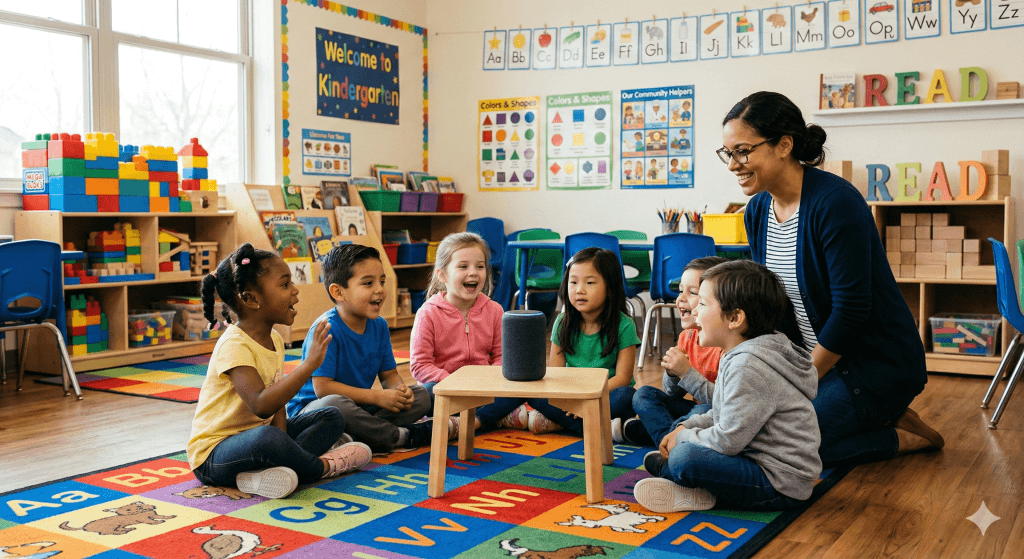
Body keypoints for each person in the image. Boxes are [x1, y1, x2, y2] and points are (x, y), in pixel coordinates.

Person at [720, 91, 944, 467]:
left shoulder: (835, 202)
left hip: (874, 365)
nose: (733, 165)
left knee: (789, 448)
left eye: (743, 151)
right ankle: (874, 417)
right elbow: (771, 303)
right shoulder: (757, 210)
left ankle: (897, 436)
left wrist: (801, 382)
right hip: (814, 364)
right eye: (728, 154)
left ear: (784, 146)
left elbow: (852, 310)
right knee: (751, 432)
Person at [187, 243, 372, 500]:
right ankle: (322, 467)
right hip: (215, 456)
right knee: (268, 438)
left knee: (331, 416)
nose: (295, 292)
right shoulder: (233, 345)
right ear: (251, 299)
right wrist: (308, 365)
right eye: (285, 285)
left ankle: (276, 469)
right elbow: (261, 405)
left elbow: (278, 402)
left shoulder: (273, 338)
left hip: (259, 441)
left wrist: (283, 443)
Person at [634, 260, 821, 513]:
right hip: (756, 460)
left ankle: (687, 484)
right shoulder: (740, 354)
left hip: (779, 484)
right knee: (685, 446)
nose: (695, 311)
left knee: (684, 458)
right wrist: (685, 427)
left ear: (734, 318)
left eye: (702, 303)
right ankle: (685, 480)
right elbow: (720, 411)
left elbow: (727, 440)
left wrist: (684, 438)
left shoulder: (748, 366)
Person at [287, 244, 432, 453]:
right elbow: (323, 389)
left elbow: (389, 375)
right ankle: (399, 437)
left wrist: (399, 390)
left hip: (357, 408)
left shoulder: (380, 325)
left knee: (421, 396)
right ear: (338, 292)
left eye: (382, 281)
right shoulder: (327, 329)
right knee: (336, 405)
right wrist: (376, 397)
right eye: (368, 283)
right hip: (316, 411)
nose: (380, 290)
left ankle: (353, 437)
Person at [529, 247, 640, 436]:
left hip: (605, 394)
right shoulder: (562, 323)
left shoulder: (624, 325)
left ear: (610, 287)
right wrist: (572, 401)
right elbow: (556, 374)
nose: (579, 290)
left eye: (590, 282)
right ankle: (601, 428)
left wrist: (587, 399)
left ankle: (565, 425)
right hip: (572, 396)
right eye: (573, 282)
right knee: (534, 392)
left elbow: (622, 379)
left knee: (628, 397)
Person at [621, 256, 728, 446]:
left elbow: (721, 402)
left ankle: (657, 435)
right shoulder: (687, 337)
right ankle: (668, 440)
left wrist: (686, 372)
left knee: (700, 411)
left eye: (693, 292)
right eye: (680, 291)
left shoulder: (725, 345)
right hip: (693, 410)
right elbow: (672, 394)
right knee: (643, 394)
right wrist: (672, 373)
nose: (681, 299)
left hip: (716, 414)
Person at [411, 232, 511, 435]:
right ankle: (496, 417)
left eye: (480, 266)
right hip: (446, 389)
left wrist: (489, 378)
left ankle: (471, 421)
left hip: (484, 389)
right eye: (463, 266)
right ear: (442, 275)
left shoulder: (495, 310)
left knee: (519, 387)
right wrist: (453, 381)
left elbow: (502, 357)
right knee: (423, 395)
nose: (473, 273)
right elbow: (420, 365)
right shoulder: (428, 313)